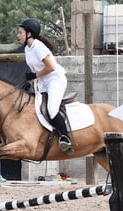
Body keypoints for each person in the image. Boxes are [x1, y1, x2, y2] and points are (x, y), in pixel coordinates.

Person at [17, 18, 74, 154]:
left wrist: (34, 76)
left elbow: (51, 67)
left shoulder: (38, 47)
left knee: (51, 109)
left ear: (29, 34)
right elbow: (36, 70)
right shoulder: (27, 49)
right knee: (36, 109)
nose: (18, 35)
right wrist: (28, 83)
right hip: (43, 82)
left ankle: (65, 137)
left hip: (55, 80)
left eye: (20, 32)